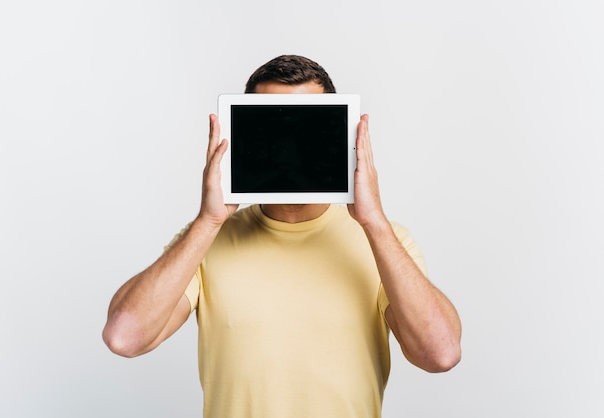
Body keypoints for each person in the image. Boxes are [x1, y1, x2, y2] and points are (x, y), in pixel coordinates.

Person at [102, 55, 461, 418]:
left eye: (307, 129)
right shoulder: (206, 241)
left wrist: (374, 222)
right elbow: (124, 337)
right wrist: (207, 222)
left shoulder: (384, 241)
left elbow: (440, 353)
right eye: (274, 128)